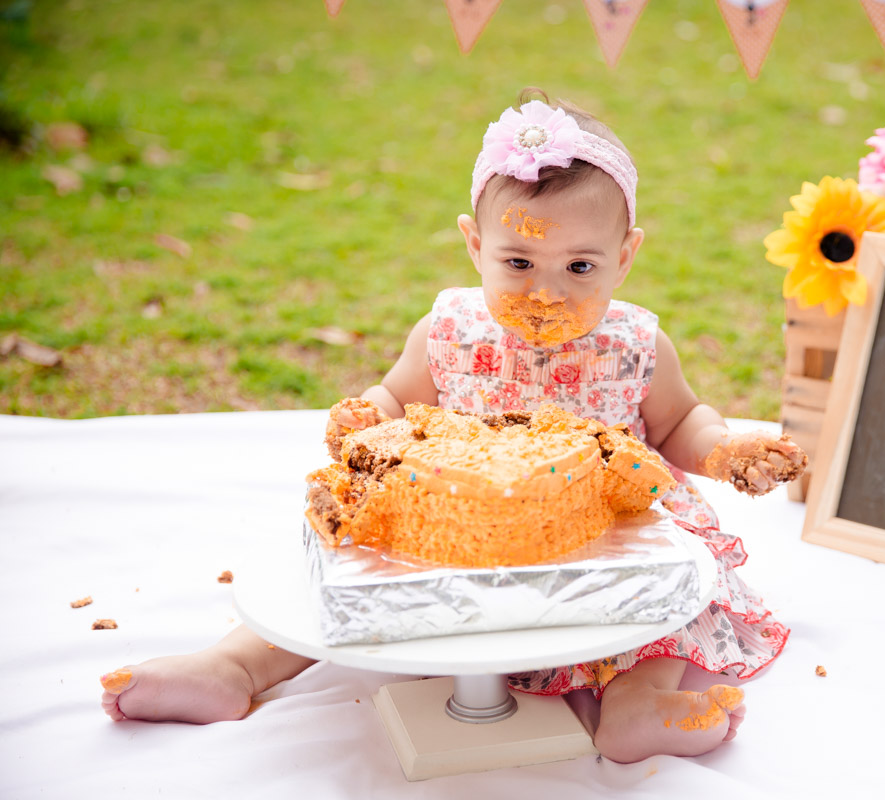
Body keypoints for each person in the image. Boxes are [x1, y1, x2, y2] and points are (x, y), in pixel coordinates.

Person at [100, 89, 806, 764]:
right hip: (454, 521)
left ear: (625, 257)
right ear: (475, 245)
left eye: (580, 266)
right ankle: (232, 667)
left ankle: (635, 706)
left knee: (669, 604)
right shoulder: (451, 330)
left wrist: (727, 451)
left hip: (599, 530)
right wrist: (368, 415)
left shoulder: (633, 344)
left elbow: (680, 421)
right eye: (519, 262)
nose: (546, 291)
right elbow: (398, 398)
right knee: (344, 576)